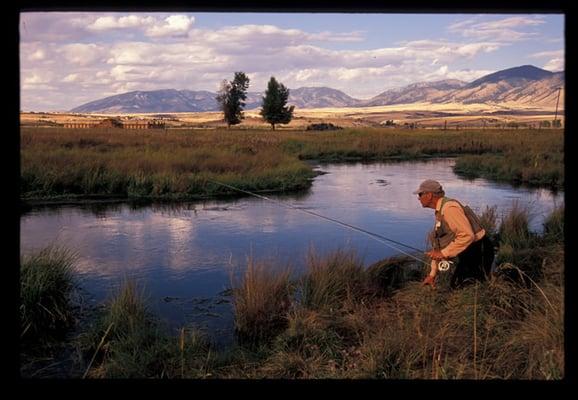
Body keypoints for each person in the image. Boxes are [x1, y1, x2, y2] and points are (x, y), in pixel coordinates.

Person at [414, 179, 494, 289]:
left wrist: (444, 253)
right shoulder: (440, 210)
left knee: (469, 288)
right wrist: (432, 274)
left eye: (420, 194)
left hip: (479, 250)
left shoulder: (449, 209)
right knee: (458, 286)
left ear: (429, 195)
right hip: (469, 250)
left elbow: (467, 235)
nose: (418, 198)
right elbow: (439, 245)